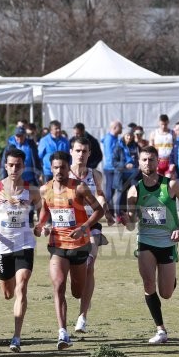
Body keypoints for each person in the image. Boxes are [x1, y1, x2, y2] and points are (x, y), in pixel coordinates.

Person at [124, 146, 179, 344]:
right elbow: (131, 226)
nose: (148, 163)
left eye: (152, 160)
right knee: (148, 284)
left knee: (166, 293)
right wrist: (127, 216)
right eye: (144, 160)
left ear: (158, 162)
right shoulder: (134, 189)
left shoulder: (171, 185)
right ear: (139, 163)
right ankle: (161, 330)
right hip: (146, 241)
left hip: (167, 242)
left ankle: (170, 280)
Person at [0, 147, 43, 352]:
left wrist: (41, 224)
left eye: (18, 165)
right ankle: (10, 288)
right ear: (6, 166)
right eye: (11, 165)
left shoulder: (31, 190)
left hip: (24, 243)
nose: (14, 168)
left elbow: (43, 208)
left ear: (23, 167)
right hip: (2, 245)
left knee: (21, 286)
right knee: (8, 293)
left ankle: (16, 337)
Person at [37, 151, 104, 350]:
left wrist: (84, 227)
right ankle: (62, 333)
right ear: (51, 169)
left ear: (68, 168)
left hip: (80, 245)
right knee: (58, 285)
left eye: (63, 167)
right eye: (55, 167)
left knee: (77, 291)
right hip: (57, 246)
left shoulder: (79, 188)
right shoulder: (45, 190)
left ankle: (82, 307)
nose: (59, 171)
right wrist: (40, 225)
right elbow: (44, 211)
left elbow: (99, 210)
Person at [68, 136, 114, 335]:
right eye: (78, 151)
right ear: (71, 151)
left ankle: (82, 317)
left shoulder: (95, 175)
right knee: (74, 276)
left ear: (89, 153)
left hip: (92, 225)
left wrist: (104, 204)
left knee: (89, 265)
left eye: (84, 151)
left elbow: (101, 193)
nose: (81, 155)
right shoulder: (63, 174)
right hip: (69, 228)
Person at [111, 129, 140, 215]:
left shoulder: (136, 146)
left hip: (134, 174)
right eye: (127, 135)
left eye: (131, 135)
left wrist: (139, 165)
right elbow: (114, 162)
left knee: (136, 193)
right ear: (123, 135)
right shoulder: (118, 146)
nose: (129, 137)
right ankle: (120, 215)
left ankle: (136, 214)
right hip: (121, 175)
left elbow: (140, 157)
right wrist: (124, 165)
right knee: (121, 196)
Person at [101, 120, 123, 206]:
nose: (122, 129)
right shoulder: (109, 139)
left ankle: (111, 210)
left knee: (114, 190)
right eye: (120, 127)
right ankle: (107, 211)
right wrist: (117, 166)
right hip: (111, 168)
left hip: (115, 168)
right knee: (110, 191)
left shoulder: (115, 138)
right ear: (114, 128)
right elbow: (110, 155)